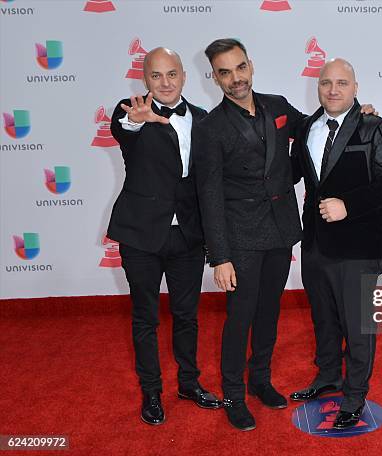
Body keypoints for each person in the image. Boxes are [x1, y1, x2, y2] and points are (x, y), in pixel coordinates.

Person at [193, 39, 304, 432]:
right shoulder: (209, 128)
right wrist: (219, 256)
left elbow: (314, 128)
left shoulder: (278, 105)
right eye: (225, 72)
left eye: (240, 68)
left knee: (269, 311)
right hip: (239, 237)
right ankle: (233, 395)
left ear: (250, 66)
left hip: (281, 230)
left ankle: (260, 380)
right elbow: (209, 195)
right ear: (214, 77)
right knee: (240, 317)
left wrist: (359, 114)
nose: (235, 79)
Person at [108, 47, 222, 426]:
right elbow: (122, 130)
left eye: (172, 74)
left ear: (184, 77)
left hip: (187, 235)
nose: (165, 82)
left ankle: (189, 383)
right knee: (145, 319)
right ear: (145, 80)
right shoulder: (130, 110)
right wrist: (138, 121)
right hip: (141, 235)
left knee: (188, 317)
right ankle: (151, 391)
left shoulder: (204, 120)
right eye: (156, 76)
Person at [289, 58, 382, 429]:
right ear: (317, 87)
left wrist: (348, 205)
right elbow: (295, 173)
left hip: (359, 246)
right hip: (315, 244)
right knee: (323, 319)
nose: (333, 90)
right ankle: (327, 377)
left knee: (358, 327)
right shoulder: (307, 127)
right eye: (326, 83)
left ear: (355, 88)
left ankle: (355, 395)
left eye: (341, 83)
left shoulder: (376, 128)